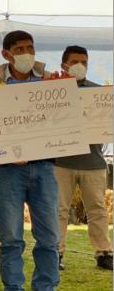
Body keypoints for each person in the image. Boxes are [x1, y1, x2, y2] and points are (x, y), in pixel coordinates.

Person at [0, 30, 60, 290]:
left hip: (45, 167)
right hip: (7, 170)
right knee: (11, 238)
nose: (27, 53)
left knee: (50, 237)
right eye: (20, 49)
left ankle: (45, 287)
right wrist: (5, 151)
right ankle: (13, 288)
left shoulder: (51, 81)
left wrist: (68, 87)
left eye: (30, 48)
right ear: (6, 54)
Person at [55, 45, 112, 271]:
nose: (80, 66)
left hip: (93, 162)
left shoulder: (100, 94)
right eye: (75, 61)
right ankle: (56, 253)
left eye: (84, 62)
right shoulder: (53, 93)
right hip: (60, 163)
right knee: (58, 209)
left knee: (97, 209)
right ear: (64, 65)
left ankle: (104, 253)